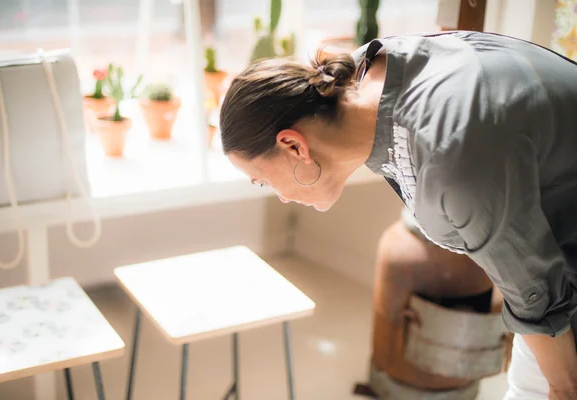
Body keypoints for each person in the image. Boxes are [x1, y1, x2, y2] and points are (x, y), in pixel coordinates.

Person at [219, 31, 577, 399]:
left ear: (294, 145)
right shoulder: (363, 81)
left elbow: (537, 298)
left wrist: (562, 387)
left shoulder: (451, 152)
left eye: (262, 181)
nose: (280, 197)